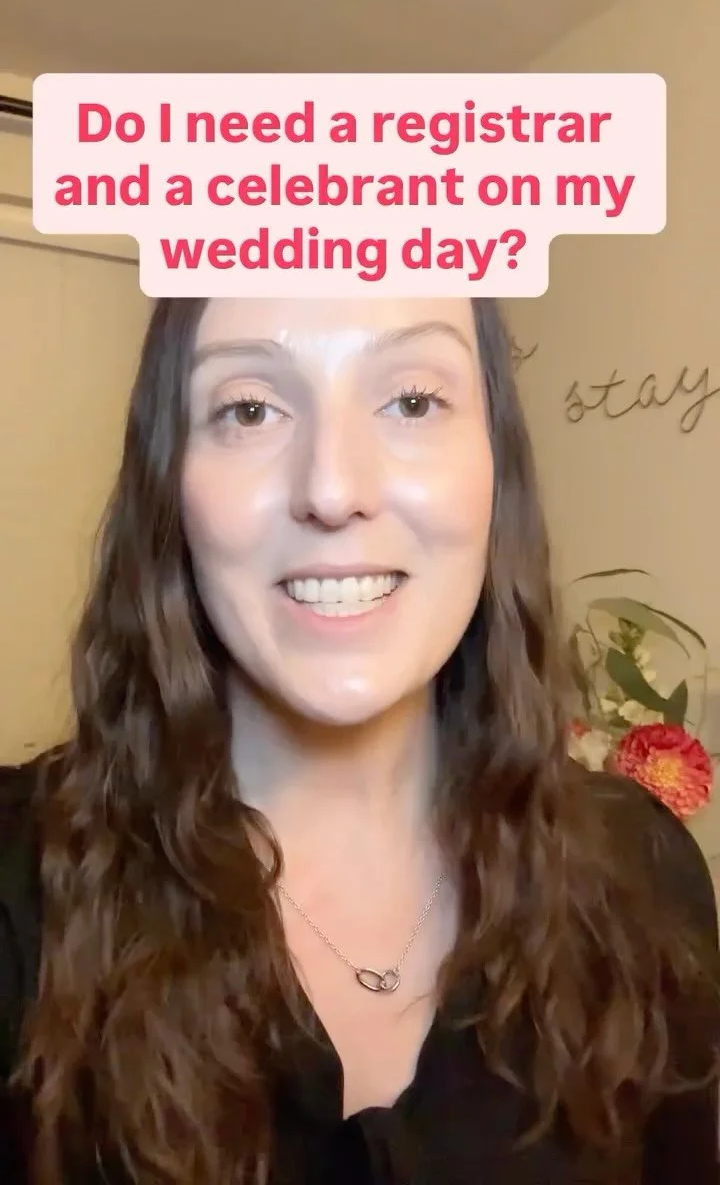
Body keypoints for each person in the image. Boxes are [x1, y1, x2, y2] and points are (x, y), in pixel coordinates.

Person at [0, 296, 718, 1185]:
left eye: (412, 400)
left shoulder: (644, 871)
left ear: (496, 466)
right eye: (249, 409)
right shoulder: (19, 888)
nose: (334, 489)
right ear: (168, 478)